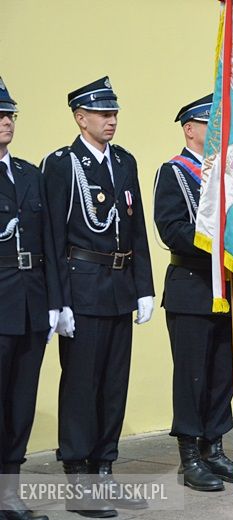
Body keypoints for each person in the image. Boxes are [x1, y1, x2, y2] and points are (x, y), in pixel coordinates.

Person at [41, 77, 154, 517]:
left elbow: (137, 227)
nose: (111, 120)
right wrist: (59, 300)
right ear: (79, 117)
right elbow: (52, 236)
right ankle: (79, 475)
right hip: (82, 286)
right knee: (81, 385)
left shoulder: (124, 162)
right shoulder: (63, 163)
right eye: (102, 113)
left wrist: (143, 287)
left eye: (114, 113)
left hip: (120, 287)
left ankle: (105, 468)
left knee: (112, 386)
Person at [154, 94, 233, 490]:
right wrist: (216, 242)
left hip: (227, 289)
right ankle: (190, 455)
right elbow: (172, 229)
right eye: (208, 123)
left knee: (222, 376)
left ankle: (213, 447)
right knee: (193, 376)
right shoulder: (174, 172)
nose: (217, 131)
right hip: (192, 289)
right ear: (190, 129)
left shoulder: (228, 177)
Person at [0, 77, 60, 520]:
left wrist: (55, 302)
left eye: (10, 115)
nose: (6, 122)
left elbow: (51, 246)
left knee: (21, 402)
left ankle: (9, 492)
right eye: (0, 116)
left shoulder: (28, 173)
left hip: (31, 303)